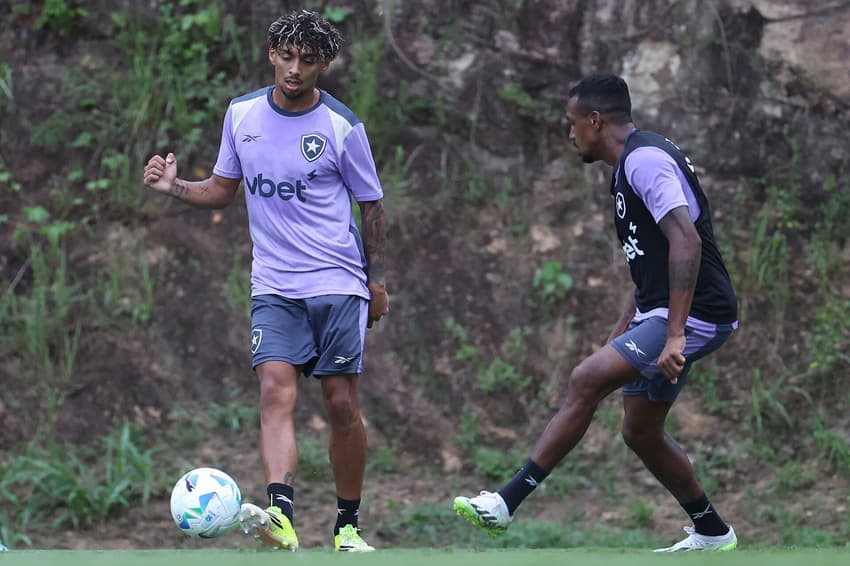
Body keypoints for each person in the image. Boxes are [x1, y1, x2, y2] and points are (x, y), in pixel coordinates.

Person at [453, 74, 739, 552]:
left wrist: (673, 336)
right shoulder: (628, 167)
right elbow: (647, 258)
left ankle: (505, 503)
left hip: (697, 313)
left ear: (595, 120)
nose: (571, 135)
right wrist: (626, 328)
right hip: (663, 311)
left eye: (572, 124)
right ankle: (712, 530)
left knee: (586, 379)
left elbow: (685, 242)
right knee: (641, 432)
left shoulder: (644, 160)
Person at [143, 10, 388, 552]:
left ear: (324, 63)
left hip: (337, 280)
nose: (296, 69)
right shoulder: (242, 115)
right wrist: (174, 186)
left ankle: (347, 525)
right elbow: (223, 189)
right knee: (274, 389)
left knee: (341, 404)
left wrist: (376, 280)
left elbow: (371, 205)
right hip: (274, 284)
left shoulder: (341, 126)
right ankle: (281, 514)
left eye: (309, 60)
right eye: (288, 56)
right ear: (272, 54)